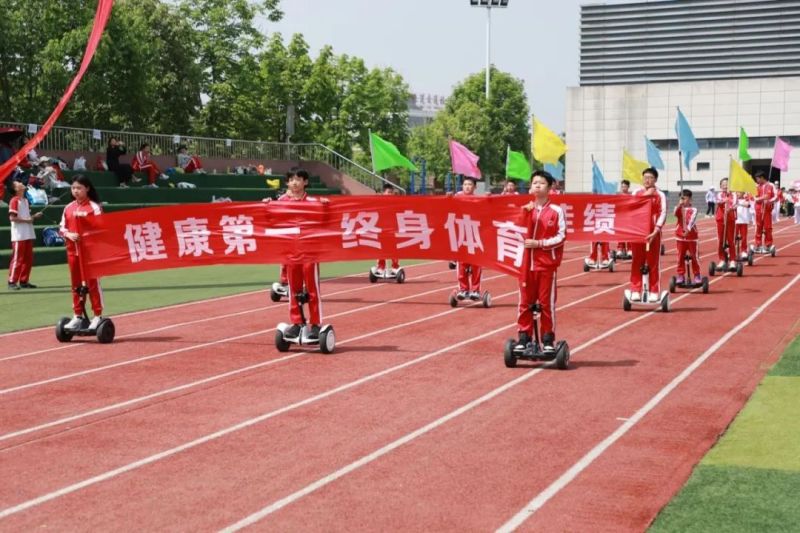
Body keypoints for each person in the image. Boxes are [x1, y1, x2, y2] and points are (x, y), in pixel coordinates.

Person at [264, 168, 327, 341]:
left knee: (312, 288)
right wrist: (266, 205)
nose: (294, 183)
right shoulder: (280, 202)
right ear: (287, 183)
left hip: (309, 252)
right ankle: (297, 322)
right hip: (290, 252)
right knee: (293, 288)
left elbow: (324, 219)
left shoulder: (314, 202)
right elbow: (270, 218)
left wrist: (325, 206)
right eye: (291, 179)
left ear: (305, 182)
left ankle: (315, 323)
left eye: (298, 179)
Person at [515, 170, 566, 352]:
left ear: (550, 187)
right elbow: (517, 232)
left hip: (546, 265)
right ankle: (524, 337)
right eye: (534, 182)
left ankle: (547, 339)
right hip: (526, 266)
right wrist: (525, 213)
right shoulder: (526, 209)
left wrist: (540, 243)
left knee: (546, 304)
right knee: (525, 303)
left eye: (542, 183)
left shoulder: (556, 211)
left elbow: (561, 236)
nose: (537, 186)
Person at [59, 175, 105, 330]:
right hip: (73, 252)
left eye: (79, 188)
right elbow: (62, 228)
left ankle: (97, 315)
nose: (76, 191)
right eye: (73, 188)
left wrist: (86, 236)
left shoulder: (94, 207)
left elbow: (101, 228)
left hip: (90, 253)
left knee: (92, 283)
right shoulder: (68, 208)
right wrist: (69, 234)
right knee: (76, 285)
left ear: (87, 188)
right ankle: (77, 315)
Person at [629, 167, 667, 302]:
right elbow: (631, 206)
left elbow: (663, 213)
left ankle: (654, 290)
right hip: (638, 233)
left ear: (655, 180)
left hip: (653, 233)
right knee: (636, 261)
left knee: (653, 262)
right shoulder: (636, 192)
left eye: (650, 178)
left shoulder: (660, 195)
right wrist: (646, 195)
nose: (647, 180)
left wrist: (656, 231)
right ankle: (635, 290)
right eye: (645, 177)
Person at [450, 176, 483, 300]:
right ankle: (463, 289)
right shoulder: (457, 197)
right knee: (462, 265)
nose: (467, 187)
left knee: (476, 264)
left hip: (474, 237)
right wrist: (448, 198)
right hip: (461, 236)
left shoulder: (479, 200)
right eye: (465, 184)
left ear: (475, 187)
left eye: (470, 184)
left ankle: (475, 290)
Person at [7, 180, 43, 289]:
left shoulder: (25, 200)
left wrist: (34, 216)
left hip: (28, 233)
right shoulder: (14, 200)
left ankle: (24, 281)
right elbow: (12, 218)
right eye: (18, 183)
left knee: (28, 259)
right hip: (19, 235)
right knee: (17, 259)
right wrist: (27, 220)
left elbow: (26, 217)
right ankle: (12, 281)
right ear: (15, 189)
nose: (21, 183)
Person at [674, 189, 702, 285]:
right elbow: (675, 214)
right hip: (680, 237)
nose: (683, 200)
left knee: (694, 257)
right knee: (680, 256)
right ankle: (680, 275)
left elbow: (692, 220)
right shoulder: (678, 208)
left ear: (690, 199)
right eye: (681, 198)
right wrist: (679, 205)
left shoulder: (693, 209)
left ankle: (697, 275)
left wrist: (688, 230)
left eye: (685, 198)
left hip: (691, 237)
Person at [375, 183, 400, 276]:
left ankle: (395, 267)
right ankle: (381, 267)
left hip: (392, 230)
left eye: (391, 192)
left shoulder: (394, 203)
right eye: (388, 192)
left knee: (393, 249)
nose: (390, 194)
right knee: (381, 249)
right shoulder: (378, 202)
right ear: (383, 192)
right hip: (381, 230)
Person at [715, 178, 736, 267]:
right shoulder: (719, 194)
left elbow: (734, 204)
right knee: (721, 240)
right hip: (721, 219)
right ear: (720, 186)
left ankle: (732, 260)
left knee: (731, 240)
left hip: (730, 219)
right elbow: (718, 202)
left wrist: (730, 208)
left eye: (727, 184)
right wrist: (725, 200)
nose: (725, 186)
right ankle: (722, 259)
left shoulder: (733, 194)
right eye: (723, 184)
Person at [754, 171, 776, 250]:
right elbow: (755, 197)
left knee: (768, 228)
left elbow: (776, 196)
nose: (757, 180)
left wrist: (769, 201)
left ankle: (768, 244)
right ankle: (758, 244)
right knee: (758, 227)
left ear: (762, 178)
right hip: (758, 209)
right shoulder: (757, 186)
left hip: (767, 210)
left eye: (757, 179)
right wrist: (762, 198)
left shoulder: (771, 185)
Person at [734, 190, 754, 260]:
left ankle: (744, 251)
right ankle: (732, 252)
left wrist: (739, 203)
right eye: (737, 192)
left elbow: (748, 205)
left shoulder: (746, 198)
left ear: (743, 193)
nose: (738, 194)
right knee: (733, 238)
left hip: (744, 221)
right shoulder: (734, 199)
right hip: (735, 221)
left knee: (744, 237)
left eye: (739, 192)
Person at [616, 179, 633, 258]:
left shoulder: (631, 196)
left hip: (629, 218)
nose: (623, 188)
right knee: (621, 234)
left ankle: (630, 249)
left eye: (625, 186)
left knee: (629, 234)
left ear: (628, 187)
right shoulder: (618, 197)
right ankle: (620, 248)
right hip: (621, 218)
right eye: (622, 186)